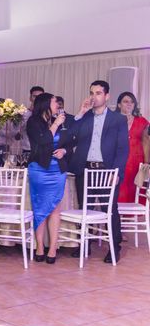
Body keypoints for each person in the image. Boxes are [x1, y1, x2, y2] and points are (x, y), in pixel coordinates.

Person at [68, 80, 129, 263]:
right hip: (85, 169)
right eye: (92, 93)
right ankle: (83, 245)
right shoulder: (85, 117)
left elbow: (122, 149)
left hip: (106, 171)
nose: (94, 97)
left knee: (109, 210)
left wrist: (116, 172)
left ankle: (114, 248)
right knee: (84, 209)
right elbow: (71, 136)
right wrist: (80, 113)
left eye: (98, 93)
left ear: (107, 96)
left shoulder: (118, 119)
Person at [27, 93, 72, 264]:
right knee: (39, 208)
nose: (57, 105)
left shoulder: (61, 121)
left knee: (54, 208)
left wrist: (64, 151)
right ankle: (39, 247)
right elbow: (44, 140)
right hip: (39, 169)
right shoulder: (33, 122)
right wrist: (55, 124)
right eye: (54, 102)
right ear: (45, 104)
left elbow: (69, 143)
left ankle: (52, 248)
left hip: (57, 170)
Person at [116, 92, 150, 202]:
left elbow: (146, 142)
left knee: (135, 191)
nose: (129, 104)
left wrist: (146, 162)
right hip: (119, 162)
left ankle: (134, 218)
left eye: (132, 102)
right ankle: (118, 217)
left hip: (136, 162)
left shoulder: (142, 121)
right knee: (119, 190)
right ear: (119, 105)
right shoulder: (113, 121)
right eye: (126, 101)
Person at [18, 86, 45, 153]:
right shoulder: (23, 113)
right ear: (30, 98)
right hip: (27, 148)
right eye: (35, 96)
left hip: (43, 149)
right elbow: (17, 133)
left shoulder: (47, 114)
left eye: (40, 96)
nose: (37, 99)